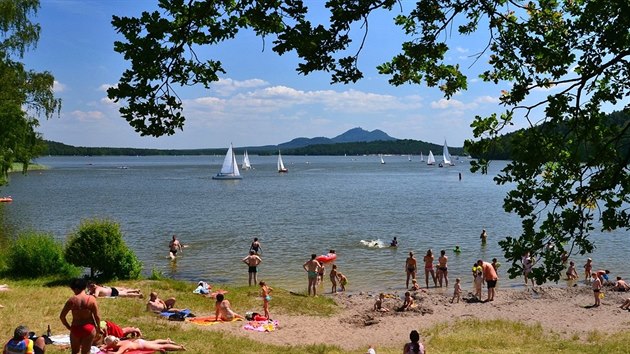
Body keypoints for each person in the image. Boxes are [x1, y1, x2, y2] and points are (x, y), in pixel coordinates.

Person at [60, 278, 102, 354]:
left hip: (75, 328)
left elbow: (62, 316)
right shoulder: (91, 299)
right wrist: (98, 328)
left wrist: (69, 327)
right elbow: (97, 316)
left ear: (75, 289)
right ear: (84, 287)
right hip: (89, 328)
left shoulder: (72, 300)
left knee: (75, 352)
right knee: (86, 352)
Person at [102, 336, 185, 353]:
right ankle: (166, 340)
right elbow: (108, 345)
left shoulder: (122, 346)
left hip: (141, 345)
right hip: (138, 341)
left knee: (160, 346)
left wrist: (107, 352)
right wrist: (104, 347)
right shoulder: (116, 342)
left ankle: (179, 348)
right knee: (154, 341)